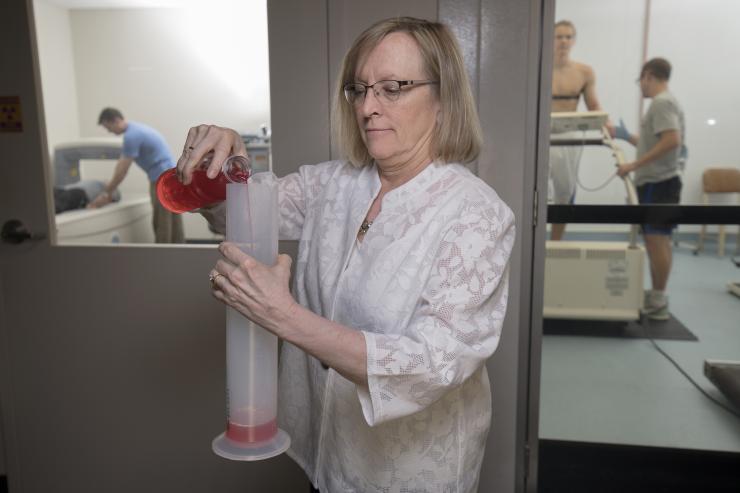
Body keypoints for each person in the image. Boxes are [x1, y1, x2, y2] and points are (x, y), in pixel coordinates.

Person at [177, 17, 515, 492]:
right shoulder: (333, 185)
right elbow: (241, 215)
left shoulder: (475, 214)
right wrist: (221, 169)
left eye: (393, 88)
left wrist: (284, 316)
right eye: (359, 89)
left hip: (406, 471)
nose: (368, 107)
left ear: (444, 99)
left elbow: (434, 362)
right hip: (327, 447)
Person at [614, 57, 685, 321]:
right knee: (658, 240)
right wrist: (625, 136)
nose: (640, 86)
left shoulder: (662, 102)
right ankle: (657, 296)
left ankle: (658, 298)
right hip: (658, 181)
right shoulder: (664, 103)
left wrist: (633, 165)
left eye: (640, 80)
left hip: (659, 182)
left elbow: (671, 140)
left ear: (648, 76)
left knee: (657, 241)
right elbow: (654, 142)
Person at [549, 20, 609, 240]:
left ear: (573, 41)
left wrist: (607, 125)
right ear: (551, 39)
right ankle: (532, 245)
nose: (563, 41)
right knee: (536, 191)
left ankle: (554, 244)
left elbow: (593, 105)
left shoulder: (584, 72)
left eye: (568, 37)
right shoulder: (538, 67)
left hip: (568, 137)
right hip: (540, 135)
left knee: (564, 192)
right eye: (559, 37)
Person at [92, 108, 184, 243]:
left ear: (116, 121)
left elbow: (121, 170)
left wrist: (107, 192)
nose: (109, 132)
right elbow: (121, 165)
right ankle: (179, 254)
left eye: (108, 127)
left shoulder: (131, 136)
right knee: (173, 221)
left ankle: (161, 258)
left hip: (162, 179)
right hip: (172, 176)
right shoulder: (137, 129)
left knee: (162, 222)